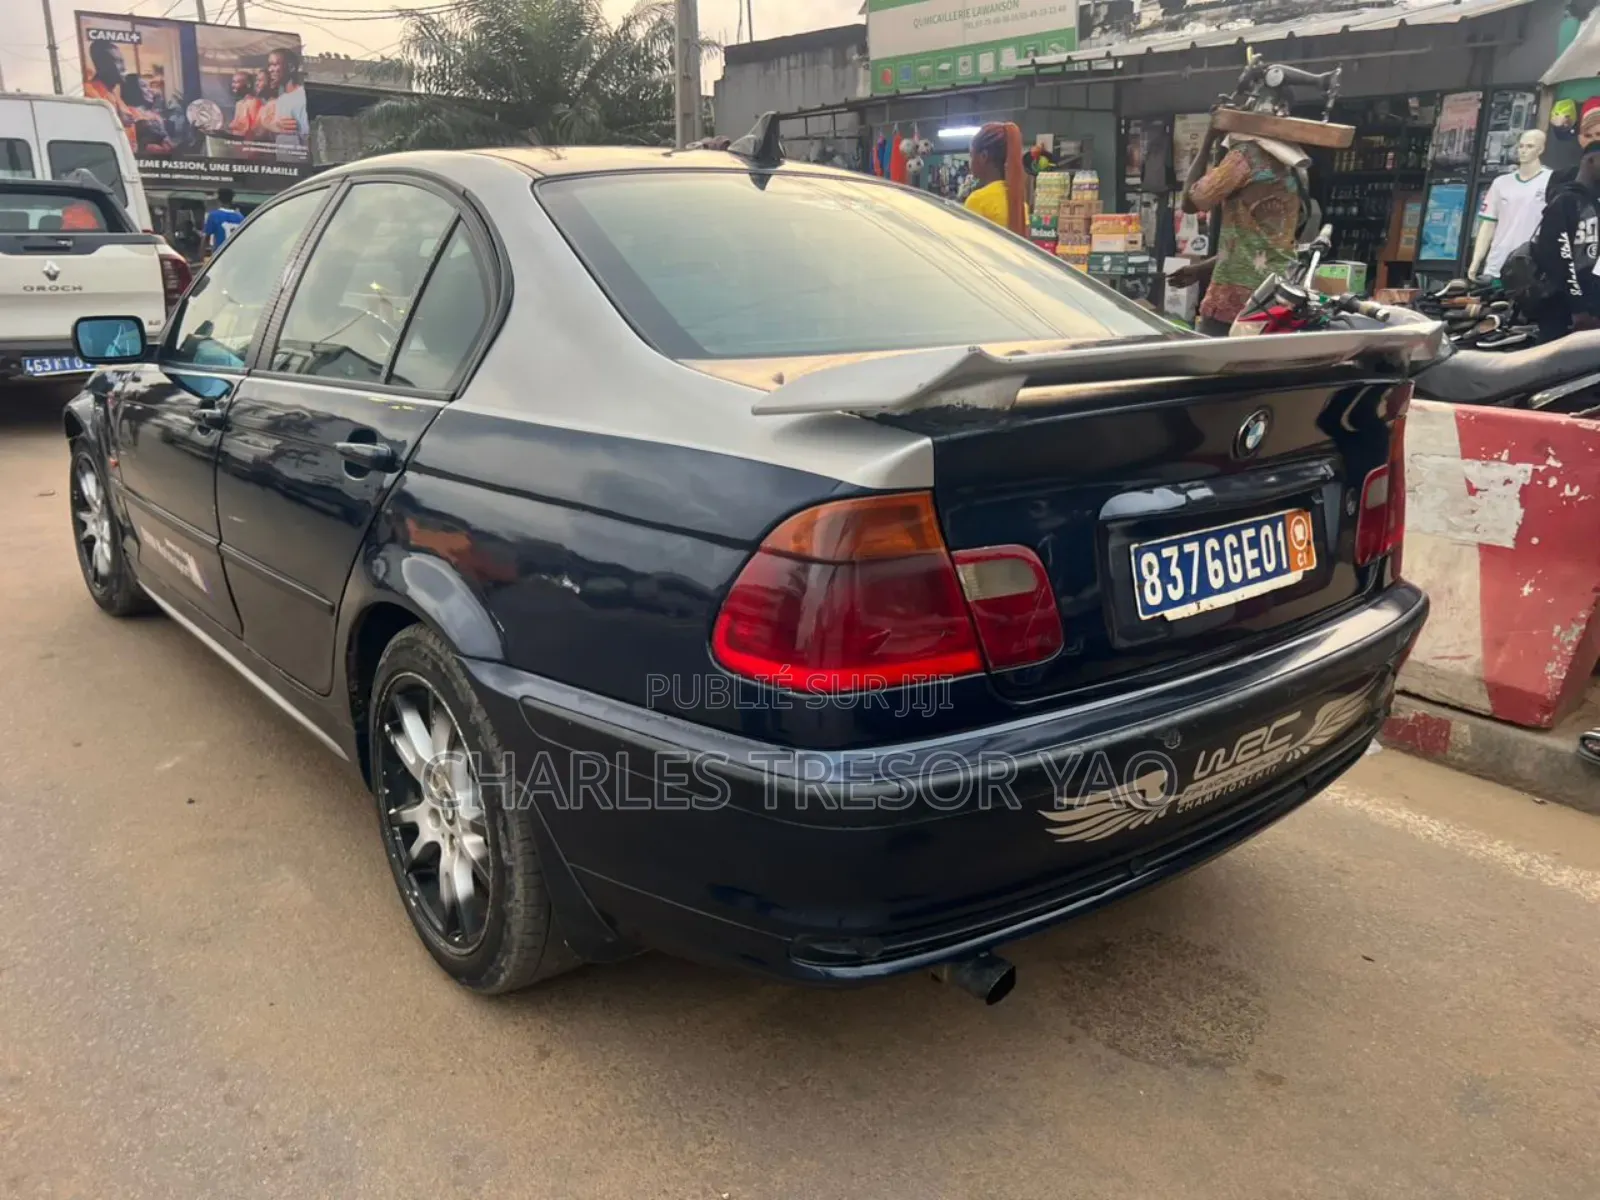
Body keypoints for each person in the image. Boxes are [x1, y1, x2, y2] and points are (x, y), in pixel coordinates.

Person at [1180, 123, 1308, 335]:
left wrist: (1208, 140)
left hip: (1235, 297)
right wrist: (1201, 269)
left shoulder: (1246, 156)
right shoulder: (1294, 163)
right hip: (1278, 291)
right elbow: (1263, 243)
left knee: (1211, 353)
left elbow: (1190, 202)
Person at [1529, 108, 1600, 342]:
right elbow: (1559, 256)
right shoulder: (1566, 200)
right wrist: (1578, 308)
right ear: (1590, 161)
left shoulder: (1593, 203)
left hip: (1590, 307)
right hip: (1562, 309)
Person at [964, 122, 1029, 237]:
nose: (970, 162)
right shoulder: (1020, 203)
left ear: (983, 156)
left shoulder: (978, 200)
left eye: (971, 155)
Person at [258, 48, 308, 156]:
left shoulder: (302, 97)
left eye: (275, 65)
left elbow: (307, 137)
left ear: (291, 67)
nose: (270, 70)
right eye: (269, 66)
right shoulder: (282, 99)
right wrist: (273, 126)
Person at [202, 188, 245, 258]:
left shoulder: (214, 215)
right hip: (236, 255)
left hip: (219, 255)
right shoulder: (240, 217)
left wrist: (201, 255)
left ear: (218, 200)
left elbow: (206, 238)